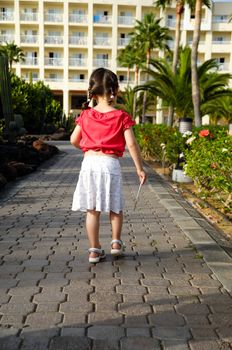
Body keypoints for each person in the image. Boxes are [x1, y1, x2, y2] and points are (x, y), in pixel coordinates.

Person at [70, 68, 146, 263]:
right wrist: (139, 168)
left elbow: (73, 139)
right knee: (115, 206)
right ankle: (115, 243)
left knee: (92, 209)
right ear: (115, 90)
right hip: (110, 164)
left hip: (89, 163)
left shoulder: (86, 115)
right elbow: (131, 144)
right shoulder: (121, 116)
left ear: (93, 92)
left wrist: (87, 149)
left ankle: (94, 250)